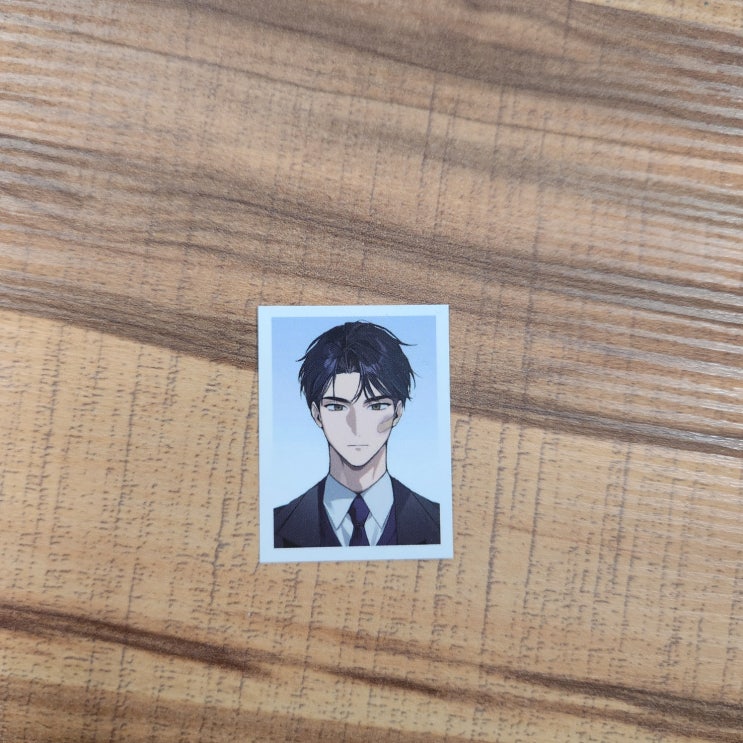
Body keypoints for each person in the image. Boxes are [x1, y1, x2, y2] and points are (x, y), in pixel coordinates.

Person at [273, 321, 440, 548]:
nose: (357, 426)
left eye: (376, 406)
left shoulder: (439, 523)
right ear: (317, 414)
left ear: (398, 412)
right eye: (337, 407)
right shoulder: (274, 527)